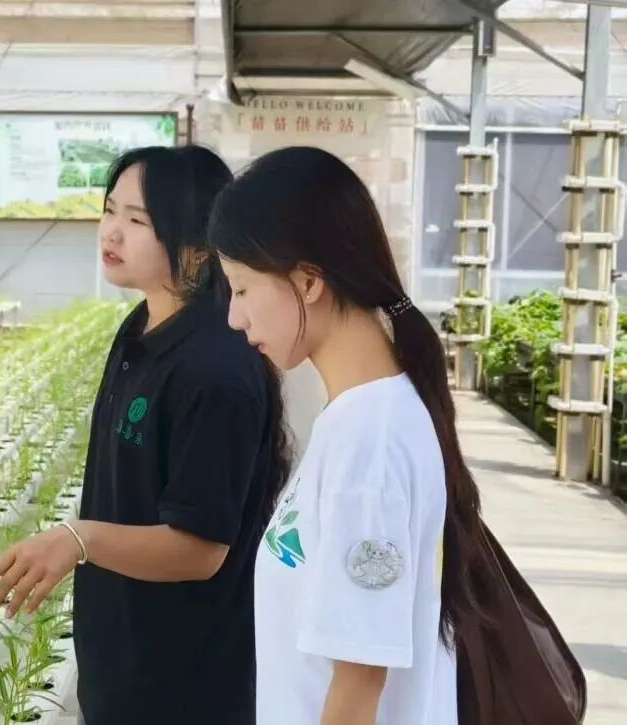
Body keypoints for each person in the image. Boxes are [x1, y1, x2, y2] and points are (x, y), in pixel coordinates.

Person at [0, 145, 290, 725]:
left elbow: (200, 549)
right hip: (120, 666)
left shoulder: (216, 370)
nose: (111, 232)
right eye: (109, 210)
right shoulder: (140, 329)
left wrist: (78, 539)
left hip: (184, 686)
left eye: (138, 220)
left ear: (198, 247)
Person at [208, 146, 482, 725]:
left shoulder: (369, 443)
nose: (234, 317)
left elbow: (358, 684)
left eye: (241, 288)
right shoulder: (361, 419)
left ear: (308, 281)